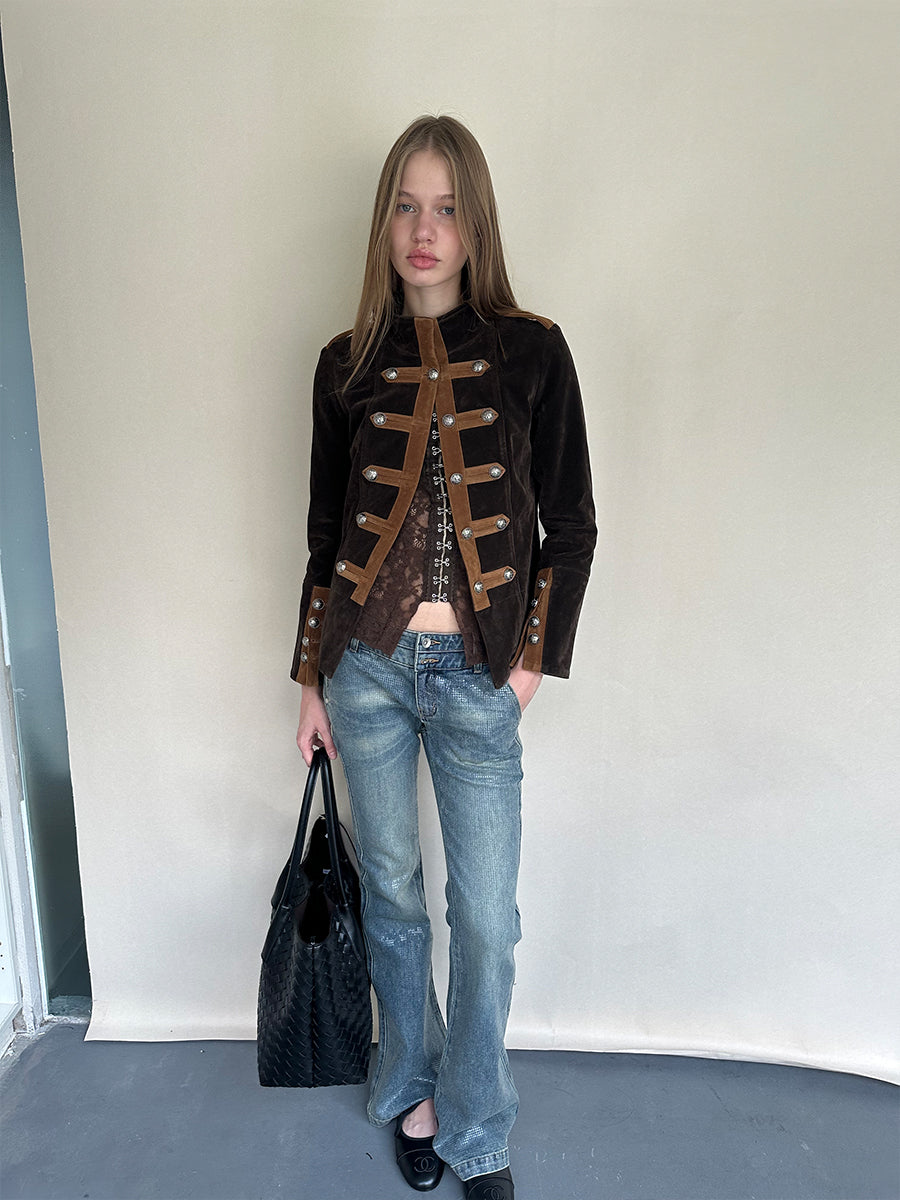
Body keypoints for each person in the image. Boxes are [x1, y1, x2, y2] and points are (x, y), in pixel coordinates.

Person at [292, 114, 596, 1200]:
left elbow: (570, 524)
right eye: (407, 207)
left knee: (486, 921)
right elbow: (325, 536)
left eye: (448, 208)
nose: (426, 230)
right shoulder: (343, 364)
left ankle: (477, 1129)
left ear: (476, 224)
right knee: (393, 895)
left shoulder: (533, 351)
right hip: (364, 673)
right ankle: (412, 1090)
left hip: (478, 679)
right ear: (385, 222)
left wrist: (527, 668)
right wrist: (309, 679)